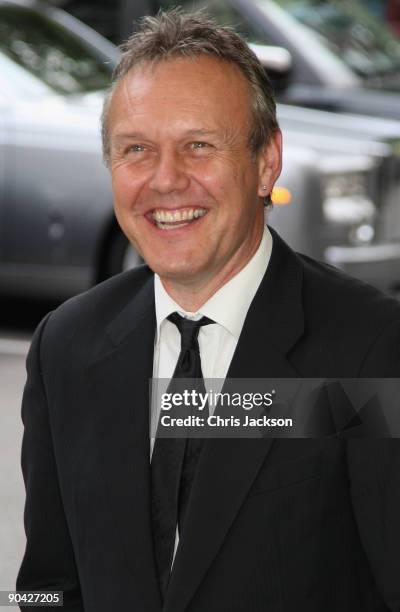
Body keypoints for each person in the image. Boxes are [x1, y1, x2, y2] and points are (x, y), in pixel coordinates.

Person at [16, 8, 400, 612]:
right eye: (136, 149)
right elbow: (46, 585)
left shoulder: (370, 347)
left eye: (199, 146)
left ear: (265, 163)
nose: (165, 181)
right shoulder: (66, 345)